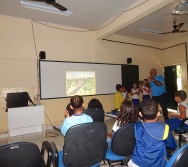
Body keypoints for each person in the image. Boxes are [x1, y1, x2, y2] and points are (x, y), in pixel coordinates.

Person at [128, 99, 177, 167]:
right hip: (157, 164)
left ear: (140, 114)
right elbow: (173, 146)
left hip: (137, 163)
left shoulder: (137, 126)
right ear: (158, 114)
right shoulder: (165, 128)